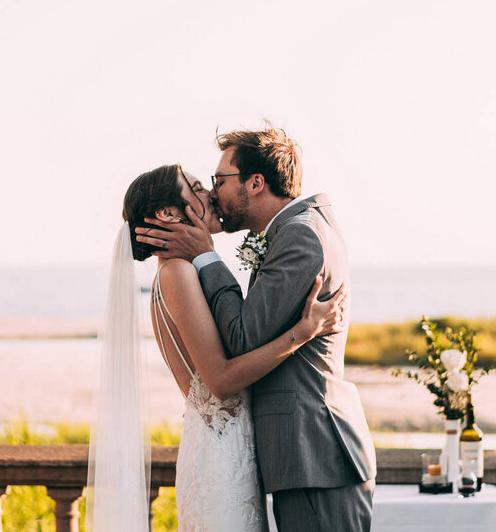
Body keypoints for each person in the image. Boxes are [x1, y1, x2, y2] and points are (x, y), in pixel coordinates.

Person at [137, 126, 377, 532]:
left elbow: (243, 337)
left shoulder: (300, 235)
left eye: (218, 180)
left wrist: (207, 257)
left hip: (314, 452)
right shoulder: (288, 232)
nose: (213, 193)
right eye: (204, 185)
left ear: (256, 182)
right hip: (297, 456)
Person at [89, 164, 347, 532]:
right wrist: (302, 333)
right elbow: (221, 380)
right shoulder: (176, 272)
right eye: (196, 188)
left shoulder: (182, 271)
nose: (211, 194)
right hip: (219, 458)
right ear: (168, 214)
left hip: (228, 451)